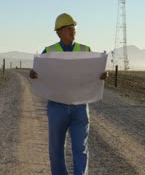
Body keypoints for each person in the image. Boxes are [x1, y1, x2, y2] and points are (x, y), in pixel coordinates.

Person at [29, 13, 108, 175]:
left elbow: (94, 72)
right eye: (68, 29)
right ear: (58, 32)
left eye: (74, 28)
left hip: (80, 107)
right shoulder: (49, 51)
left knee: (81, 150)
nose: (73, 32)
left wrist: (102, 75)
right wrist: (34, 75)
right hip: (57, 107)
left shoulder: (85, 50)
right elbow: (40, 74)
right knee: (56, 151)